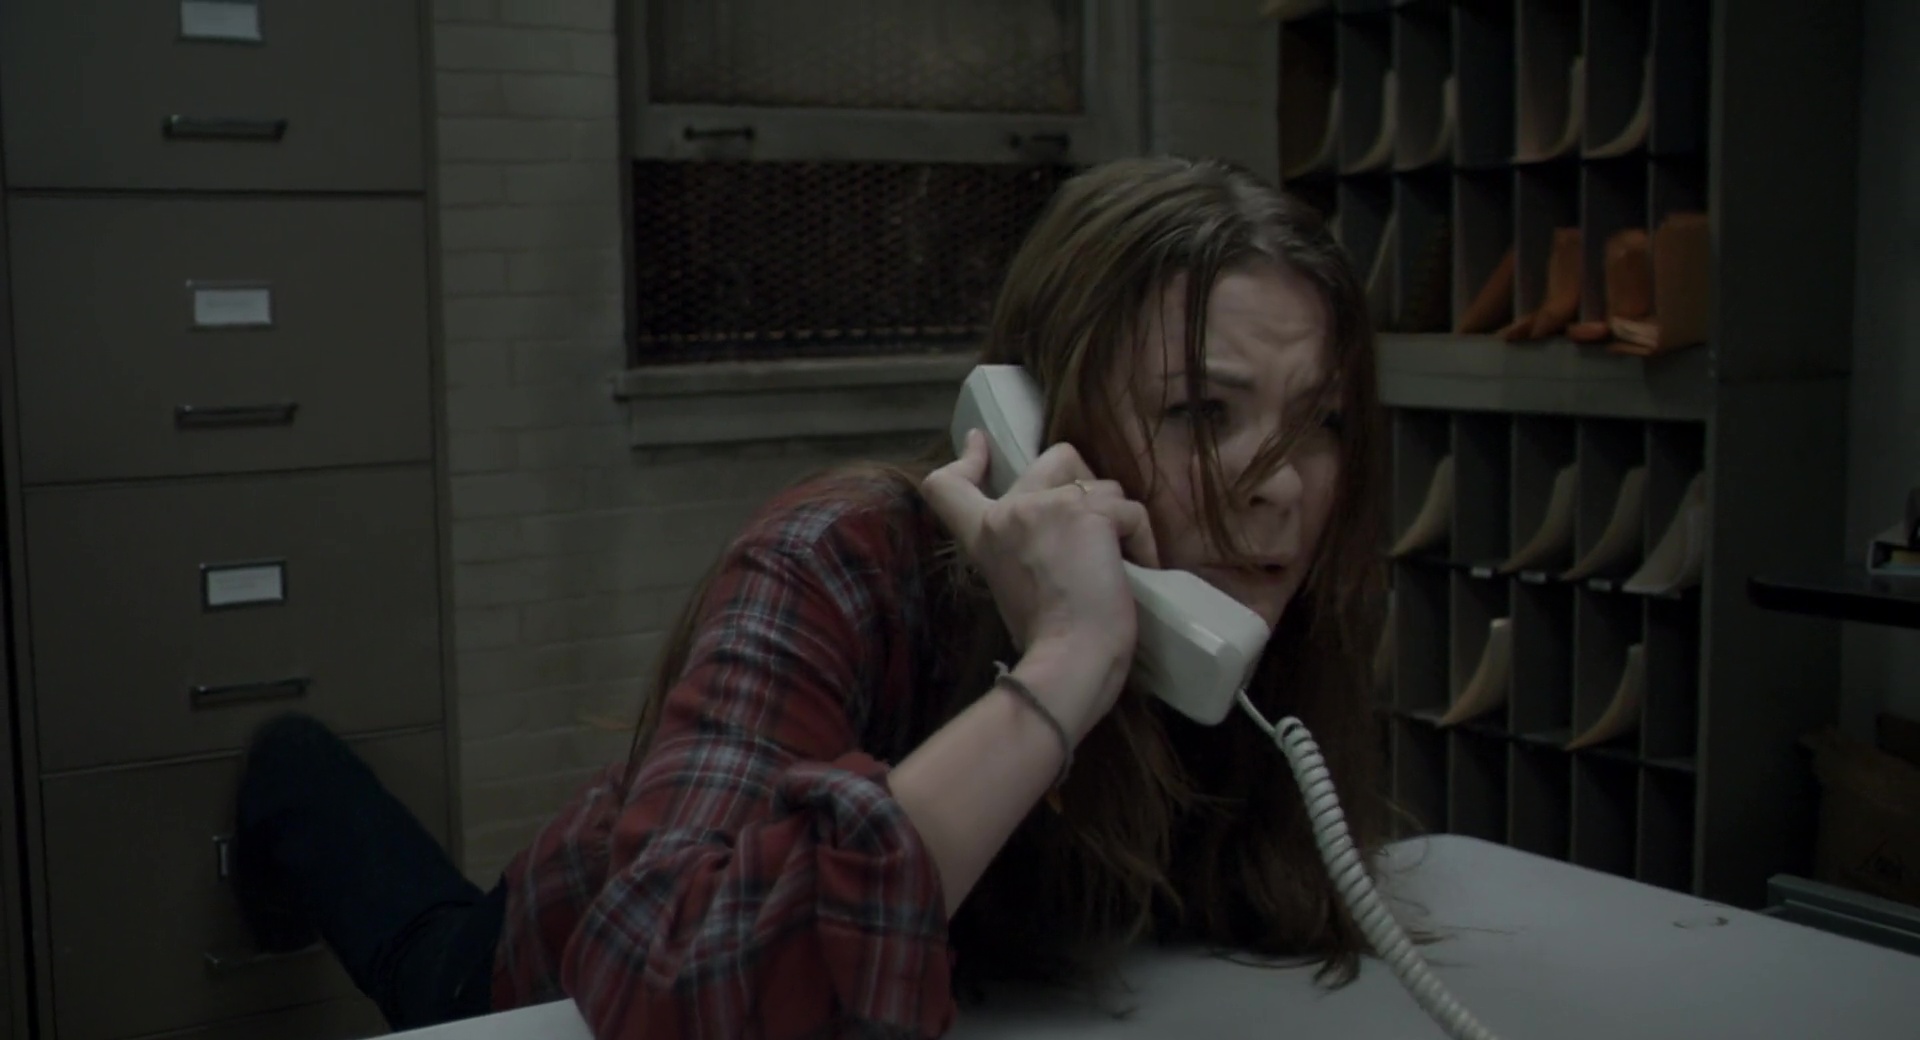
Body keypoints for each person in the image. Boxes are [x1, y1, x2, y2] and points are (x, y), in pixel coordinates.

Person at [231, 154, 1390, 1038]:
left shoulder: (1252, 639)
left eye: (1321, 421)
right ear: (1047, 426)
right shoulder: (842, 553)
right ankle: (291, 770)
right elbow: (669, 980)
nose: (1282, 486)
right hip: (536, 961)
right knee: (421, 946)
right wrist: (1065, 662)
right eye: (1202, 412)